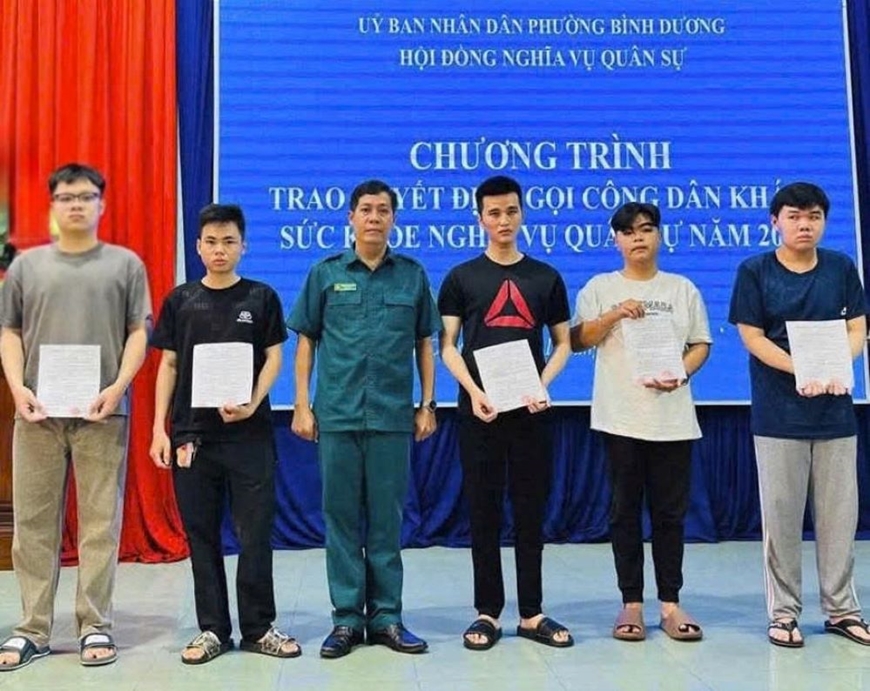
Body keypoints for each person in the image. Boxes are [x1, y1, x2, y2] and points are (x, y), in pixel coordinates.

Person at [0, 163, 151, 670]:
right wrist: (18, 389)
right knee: (33, 524)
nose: (77, 205)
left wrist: (117, 388)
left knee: (100, 523)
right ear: (53, 205)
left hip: (101, 413)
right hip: (37, 414)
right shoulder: (27, 267)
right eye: (66, 197)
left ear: (101, 204)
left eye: (86, 196)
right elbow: (9, 332)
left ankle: (95, 624)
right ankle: (32, 628)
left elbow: (138, 331)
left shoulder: (125, 265)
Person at [287, 179, 440, 658]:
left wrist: (428, 404)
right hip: (337, 415)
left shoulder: (411, 275)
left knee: (387, 523)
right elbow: (306, 341)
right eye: (366, 209)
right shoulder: (325, 273)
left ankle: (388, 618)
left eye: (383, 210)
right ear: (351, 217)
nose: (374, 217)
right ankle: (348, 621)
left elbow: (425, 343)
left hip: (392, 417)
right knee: (341, 520)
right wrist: (301, 404)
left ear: (394, 219)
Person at [149, 203, 300, 664]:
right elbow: (169, 365)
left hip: (249, 436)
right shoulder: (180, 300)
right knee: (201, 535)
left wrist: (252, 402)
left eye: (229, 241)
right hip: (192, 437)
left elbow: (275, 357)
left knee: (254, 534)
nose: (220, 249)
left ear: (243, 246)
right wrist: (159, 429)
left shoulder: (261, 297)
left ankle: (258, 627)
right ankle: (212, 629)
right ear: (198, 247)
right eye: (211, 242)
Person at [729, 182, 870, 648]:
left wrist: (837, 364)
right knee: (782, 519)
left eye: (813, 216)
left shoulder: (840, 267)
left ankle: (842, 610)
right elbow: (752, 337)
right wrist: (801, 368)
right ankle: (784, 613)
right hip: (779, 415)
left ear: (824, 221)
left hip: (835, 412)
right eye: (794, 216)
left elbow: (857, 329)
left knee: (839, 518)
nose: (804, 224)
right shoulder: (755, 271)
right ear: (775, 221)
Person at [438, 175, 573, 651]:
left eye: (511, 211)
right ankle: (487, 613)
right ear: (480, 218)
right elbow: (447, 346)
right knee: (484, 510)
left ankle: (532, 613)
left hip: (530, 411)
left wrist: (542, 385)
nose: (503, 221)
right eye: (494, 213)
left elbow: (563, 343)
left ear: (522, 214)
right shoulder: (461, 278)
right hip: (481, 412)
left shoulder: (545, 277)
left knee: (531, 511)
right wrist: (474, 392)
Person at [571, 202, 711, 643]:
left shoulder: (682, 288)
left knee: (670, 514)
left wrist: (681, 372)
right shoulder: (600, 287)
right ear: (615, 240)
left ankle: (670, 603)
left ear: (659, 235)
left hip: (673, 419)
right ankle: (630, 603)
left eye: (646, 229)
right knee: (624, 513)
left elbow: (701, 343)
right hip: (620, 419)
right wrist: (614, 314)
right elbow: (577, 340)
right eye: (628, 232)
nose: (638, 238)